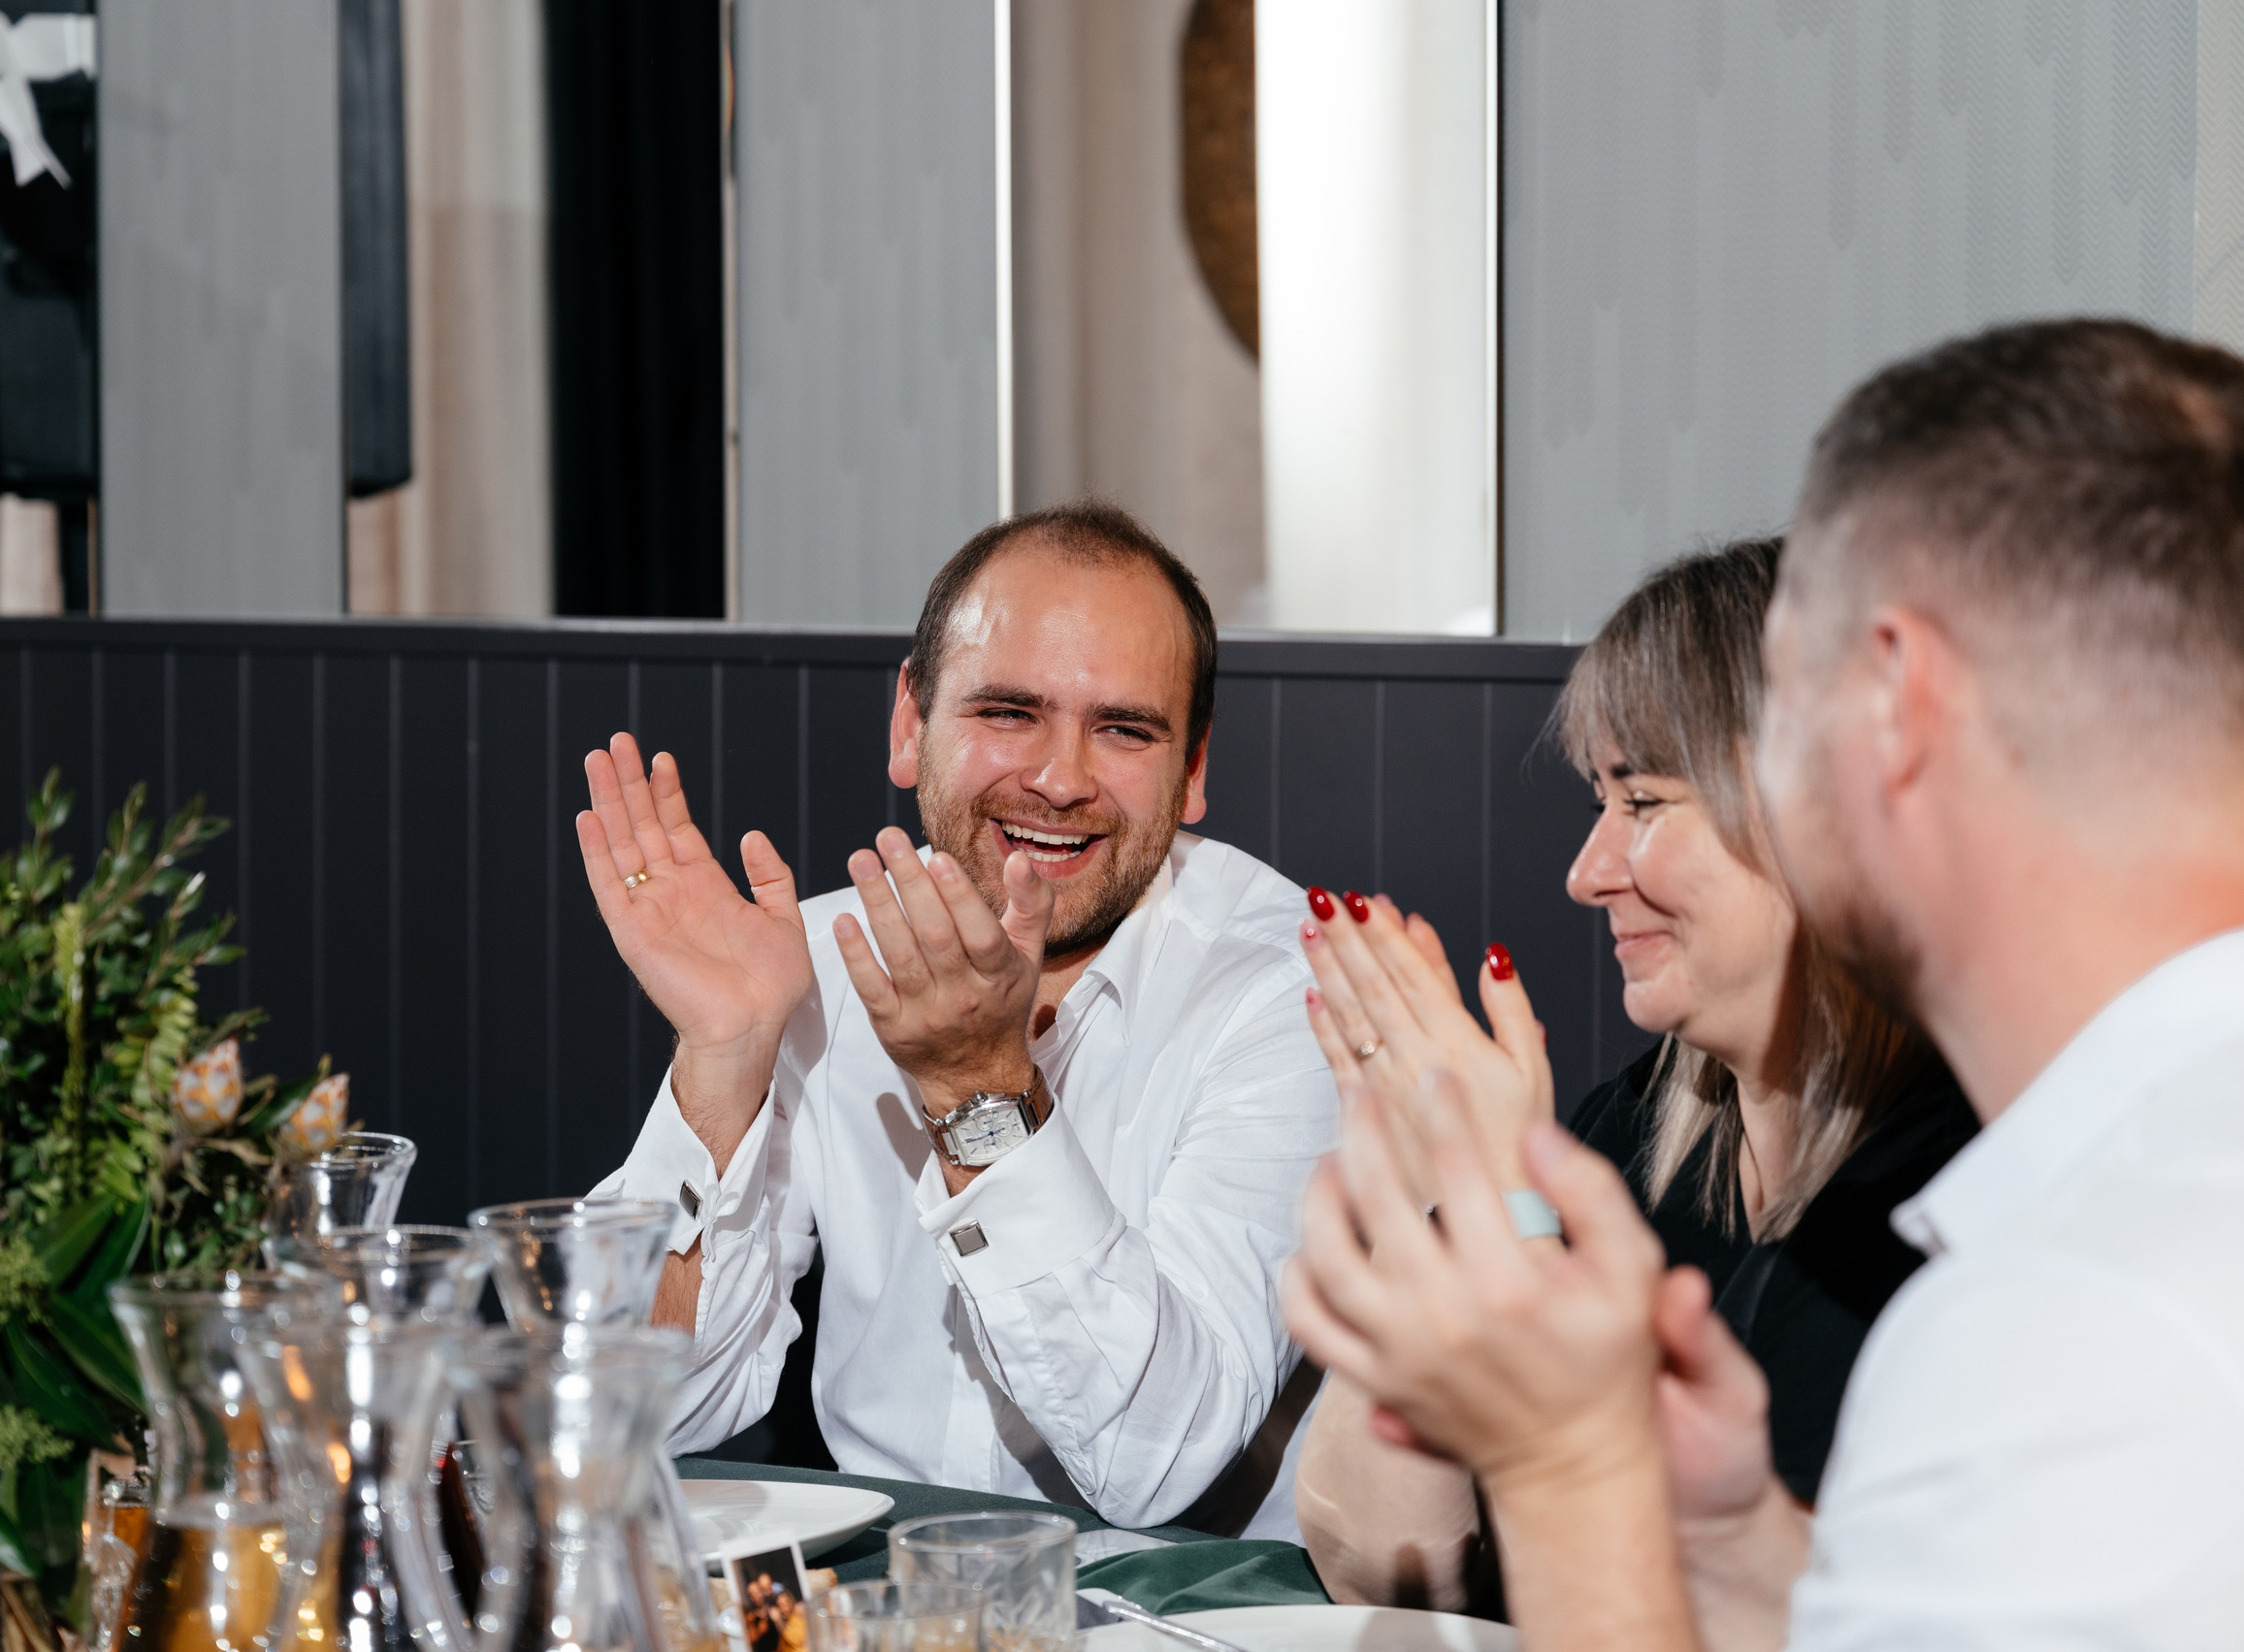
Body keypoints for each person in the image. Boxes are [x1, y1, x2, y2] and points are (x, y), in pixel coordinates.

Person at [1285, 317, 2244, 1650]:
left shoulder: (2062, 1314)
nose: (1587, 867)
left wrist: (1578, 1463)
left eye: (1790, 705)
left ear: (1898, 704)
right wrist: (1728, 1530)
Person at [581, 500, 1334, 1533]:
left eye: (1122, 728)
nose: (1060, 778)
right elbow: (644, 1413)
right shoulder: (807, 964)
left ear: (1192, 768)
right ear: (909, 722)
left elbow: (1154, 1463)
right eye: (1007, 711)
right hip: (880, 1590)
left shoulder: (1289, 989)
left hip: (1178, 1611)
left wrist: (979, 1089)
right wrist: (725, 1056)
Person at [1289, 541, 1976, 1610]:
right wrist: (1444, 1189)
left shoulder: (1953, 1188)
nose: (1585, 871)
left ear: (1819, 815)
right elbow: (1383, 1562)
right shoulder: (1643, 1124)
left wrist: (1504, 1203)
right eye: (1594, 803)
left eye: (1644, 802)